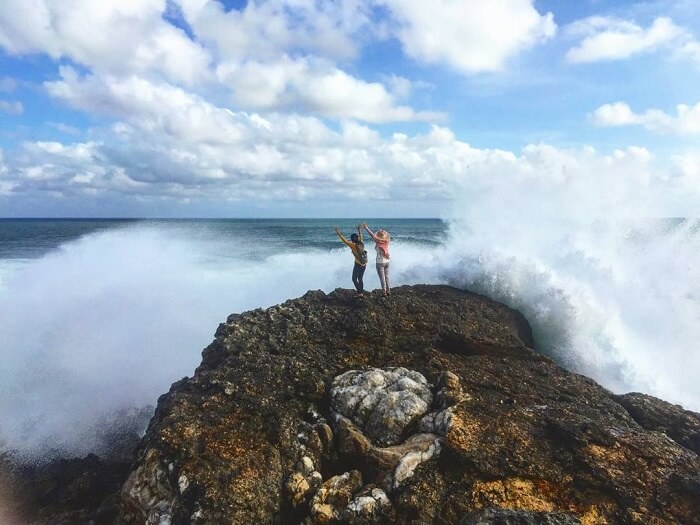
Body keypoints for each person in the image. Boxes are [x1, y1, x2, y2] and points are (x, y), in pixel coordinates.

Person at [335, 225, 368, 296]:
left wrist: (339, 233)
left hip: (358, 265)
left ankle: (360, 293)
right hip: (364, 264)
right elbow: (361, 236)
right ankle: (361, 292)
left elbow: (345, 241)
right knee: (360, 279)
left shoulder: (353, 245)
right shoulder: (361, 243)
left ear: (352, 239)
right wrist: (359, 230)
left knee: (354, 279)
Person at [363, 223, 391, 296]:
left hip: (380, 262)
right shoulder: (387, 241)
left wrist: (366, 228)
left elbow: (371, 235)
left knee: (382, 278)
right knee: (387, 277)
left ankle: (384, 292)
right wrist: (383, 232)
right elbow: (386, 235)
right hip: (387, 261)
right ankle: (388, 291)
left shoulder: (378, 243)